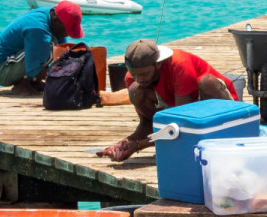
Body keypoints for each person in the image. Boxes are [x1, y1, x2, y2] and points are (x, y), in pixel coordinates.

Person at [99, 37, 239, 161]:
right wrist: (125, 143)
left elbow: (181, 125)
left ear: (158, 63)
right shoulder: (133, 79)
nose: (139, 79)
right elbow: (147, 124)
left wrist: (138, 145)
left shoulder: (179, 66)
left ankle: (230, 135)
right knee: (136, 91)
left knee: (206, 82)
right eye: (134, 74)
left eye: (143, 74)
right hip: (182, 111)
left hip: (218, 107)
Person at [0, 0, 83, 91]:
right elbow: (36, 58)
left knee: (52, 45)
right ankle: (23, 84)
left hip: (14, 63)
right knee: (48, 45)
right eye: (67, 30)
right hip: (2, 69)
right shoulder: (38, 28)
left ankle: (33, 80)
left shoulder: (52, 16)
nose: (67, 34)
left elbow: (62, 50)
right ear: (56, 20)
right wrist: (61, 77)